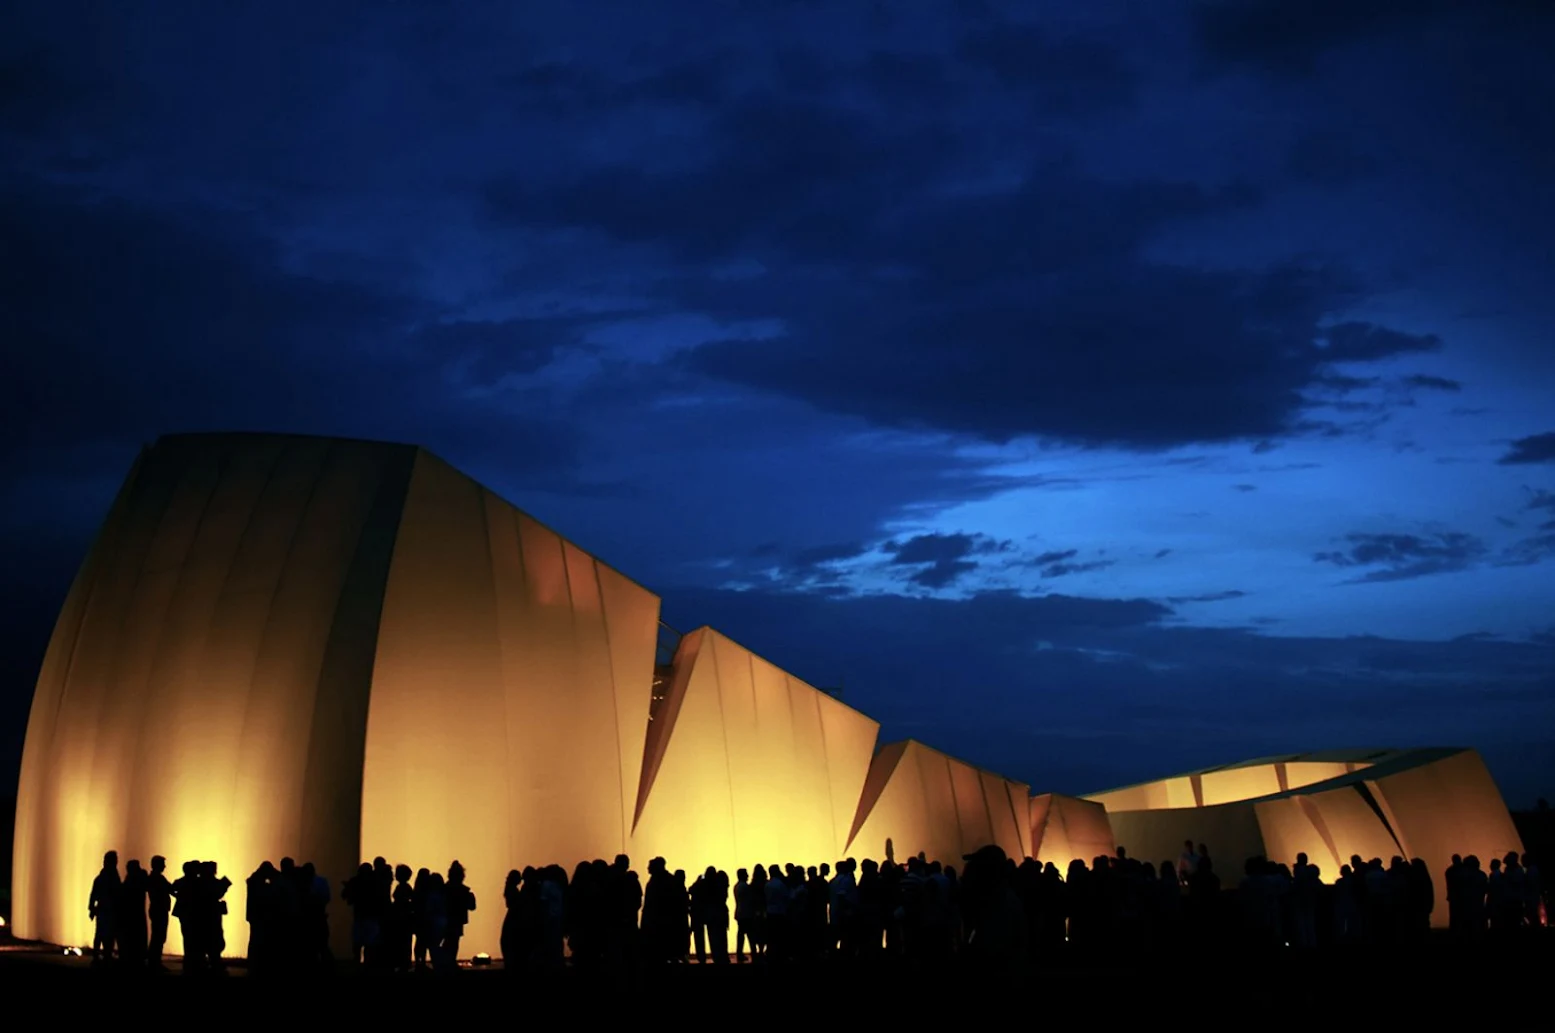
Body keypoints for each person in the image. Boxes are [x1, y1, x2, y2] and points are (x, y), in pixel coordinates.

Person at [89, 851, 121, 964]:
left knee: (102, 933)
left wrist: (92, 908)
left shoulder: (102, 877)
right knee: (105, 933)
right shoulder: (111, 876)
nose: (117, 862)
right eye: (115, 859)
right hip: (108, 910)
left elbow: (93, 894)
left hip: (104, 909)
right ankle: (103, 955)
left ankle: (100, 955)